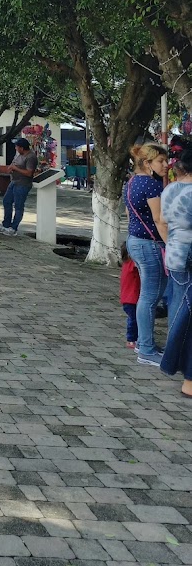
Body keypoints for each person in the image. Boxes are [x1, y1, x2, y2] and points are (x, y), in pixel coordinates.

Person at [125, 141, 169, 367]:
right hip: (150, 243)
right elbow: (159, 219)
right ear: (147, 163)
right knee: (150, 298)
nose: (166, 165)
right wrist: (170, 245)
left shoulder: (131, 182)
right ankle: (146, 348)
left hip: (135, 240)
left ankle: (144, 343)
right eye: (161, 161)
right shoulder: (151, 185)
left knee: (147, 296)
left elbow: (128, 213)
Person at [161, 143, 192, 396]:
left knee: (178, 309)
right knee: (187, 315)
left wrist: (171, 244)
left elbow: (162, 222)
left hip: (174, 254)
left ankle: (178, 361)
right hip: (188, 256)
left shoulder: (171, 189)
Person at [0, 137, 38, 236]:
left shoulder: (30, 157)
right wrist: (11, 168)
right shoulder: (19, 155)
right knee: (7, 201)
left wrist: (15, 168)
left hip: (22, 184)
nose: (15, 148)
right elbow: (14, 164)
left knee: (18, 206)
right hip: (14, 181)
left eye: (17, 147)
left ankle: (14, 227)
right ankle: (6, 224)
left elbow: (29, 173)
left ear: (22, 148)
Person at [120, 241, 140, 350]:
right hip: (131, 299)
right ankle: (131, 339)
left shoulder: (126, 264)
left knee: (133, 318)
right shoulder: (132, 263)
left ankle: (134, 338)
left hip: (128, 298)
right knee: (134, 319)